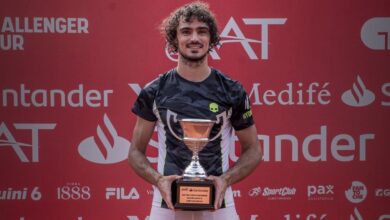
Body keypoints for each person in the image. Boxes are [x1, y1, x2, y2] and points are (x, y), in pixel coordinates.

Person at [128, 2, 262, 220]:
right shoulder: (155, 91)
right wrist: (159, 180)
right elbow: (135, 152)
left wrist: (224, 180)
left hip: (219, 205)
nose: (194, 38)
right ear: (174, 39)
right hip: (166, 205)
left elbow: (253, 150)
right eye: (186, 31)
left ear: (212, 39)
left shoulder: (231, 91)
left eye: (202, 31)